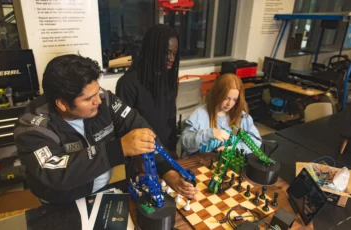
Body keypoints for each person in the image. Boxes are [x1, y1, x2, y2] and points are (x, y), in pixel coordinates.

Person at [14, 54, 197, 203]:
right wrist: (118, 149)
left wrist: (166, 170)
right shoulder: (32, 127)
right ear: (62, 104)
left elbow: (139, 128)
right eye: (88, 99)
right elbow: (54, 172)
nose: (98, 101)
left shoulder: (104, 100)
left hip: (104, 190)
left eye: (97, 92)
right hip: (62, 202)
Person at [116, 24, 179, 155]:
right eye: (166, 52)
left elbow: (171, 118)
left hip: (166, 151)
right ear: (152, 50)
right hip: (142, 156)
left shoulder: (168, 79)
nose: (171, 59)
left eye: (174, 53)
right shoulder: (128, 83)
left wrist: (172, 149)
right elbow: (124, 128)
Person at [180, 73, 262, 156]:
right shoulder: (200, 114)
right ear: (217, 95)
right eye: (226, 98)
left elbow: (255, 142)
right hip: (199, 162)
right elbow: (185, 143)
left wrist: (233, 149)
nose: (229, 104)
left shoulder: (241, 116)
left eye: (235, 100)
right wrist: (210, 134)